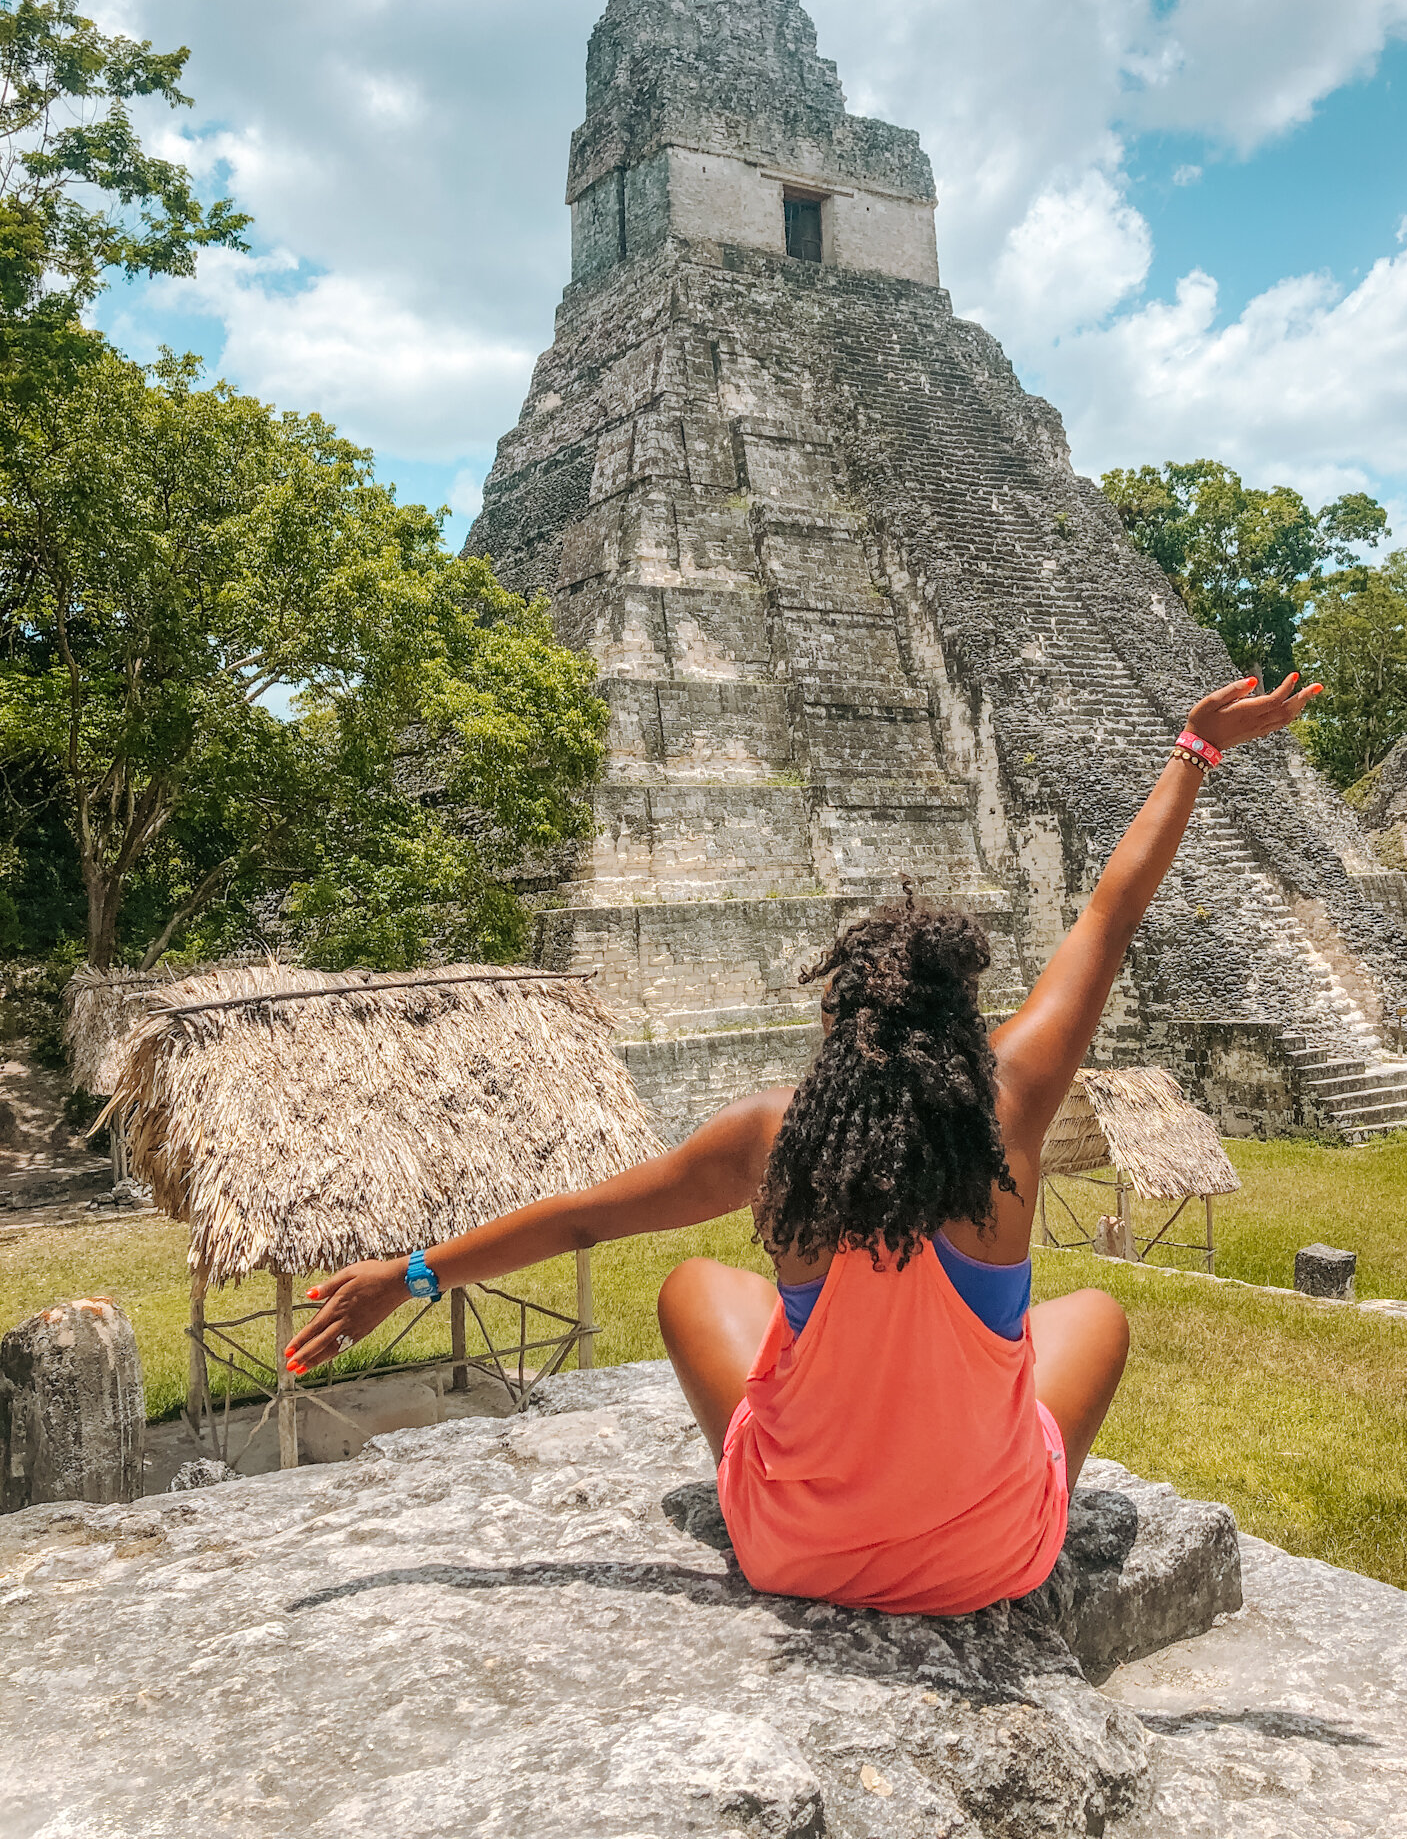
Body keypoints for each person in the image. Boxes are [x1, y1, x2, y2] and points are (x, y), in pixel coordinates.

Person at [287, 671, 1320, 1616]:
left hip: (792, 1549)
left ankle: (834, 1466)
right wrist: (1194, 748)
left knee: (698, 1283)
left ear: (837, 1017)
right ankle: (974, 1486)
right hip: (995, 1557)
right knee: (1092, 1312)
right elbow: (1112, 909)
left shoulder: (774, 1132)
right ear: (966, 1022)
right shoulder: (1008, 1104)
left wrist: (412, 1273)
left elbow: (586, 1215)